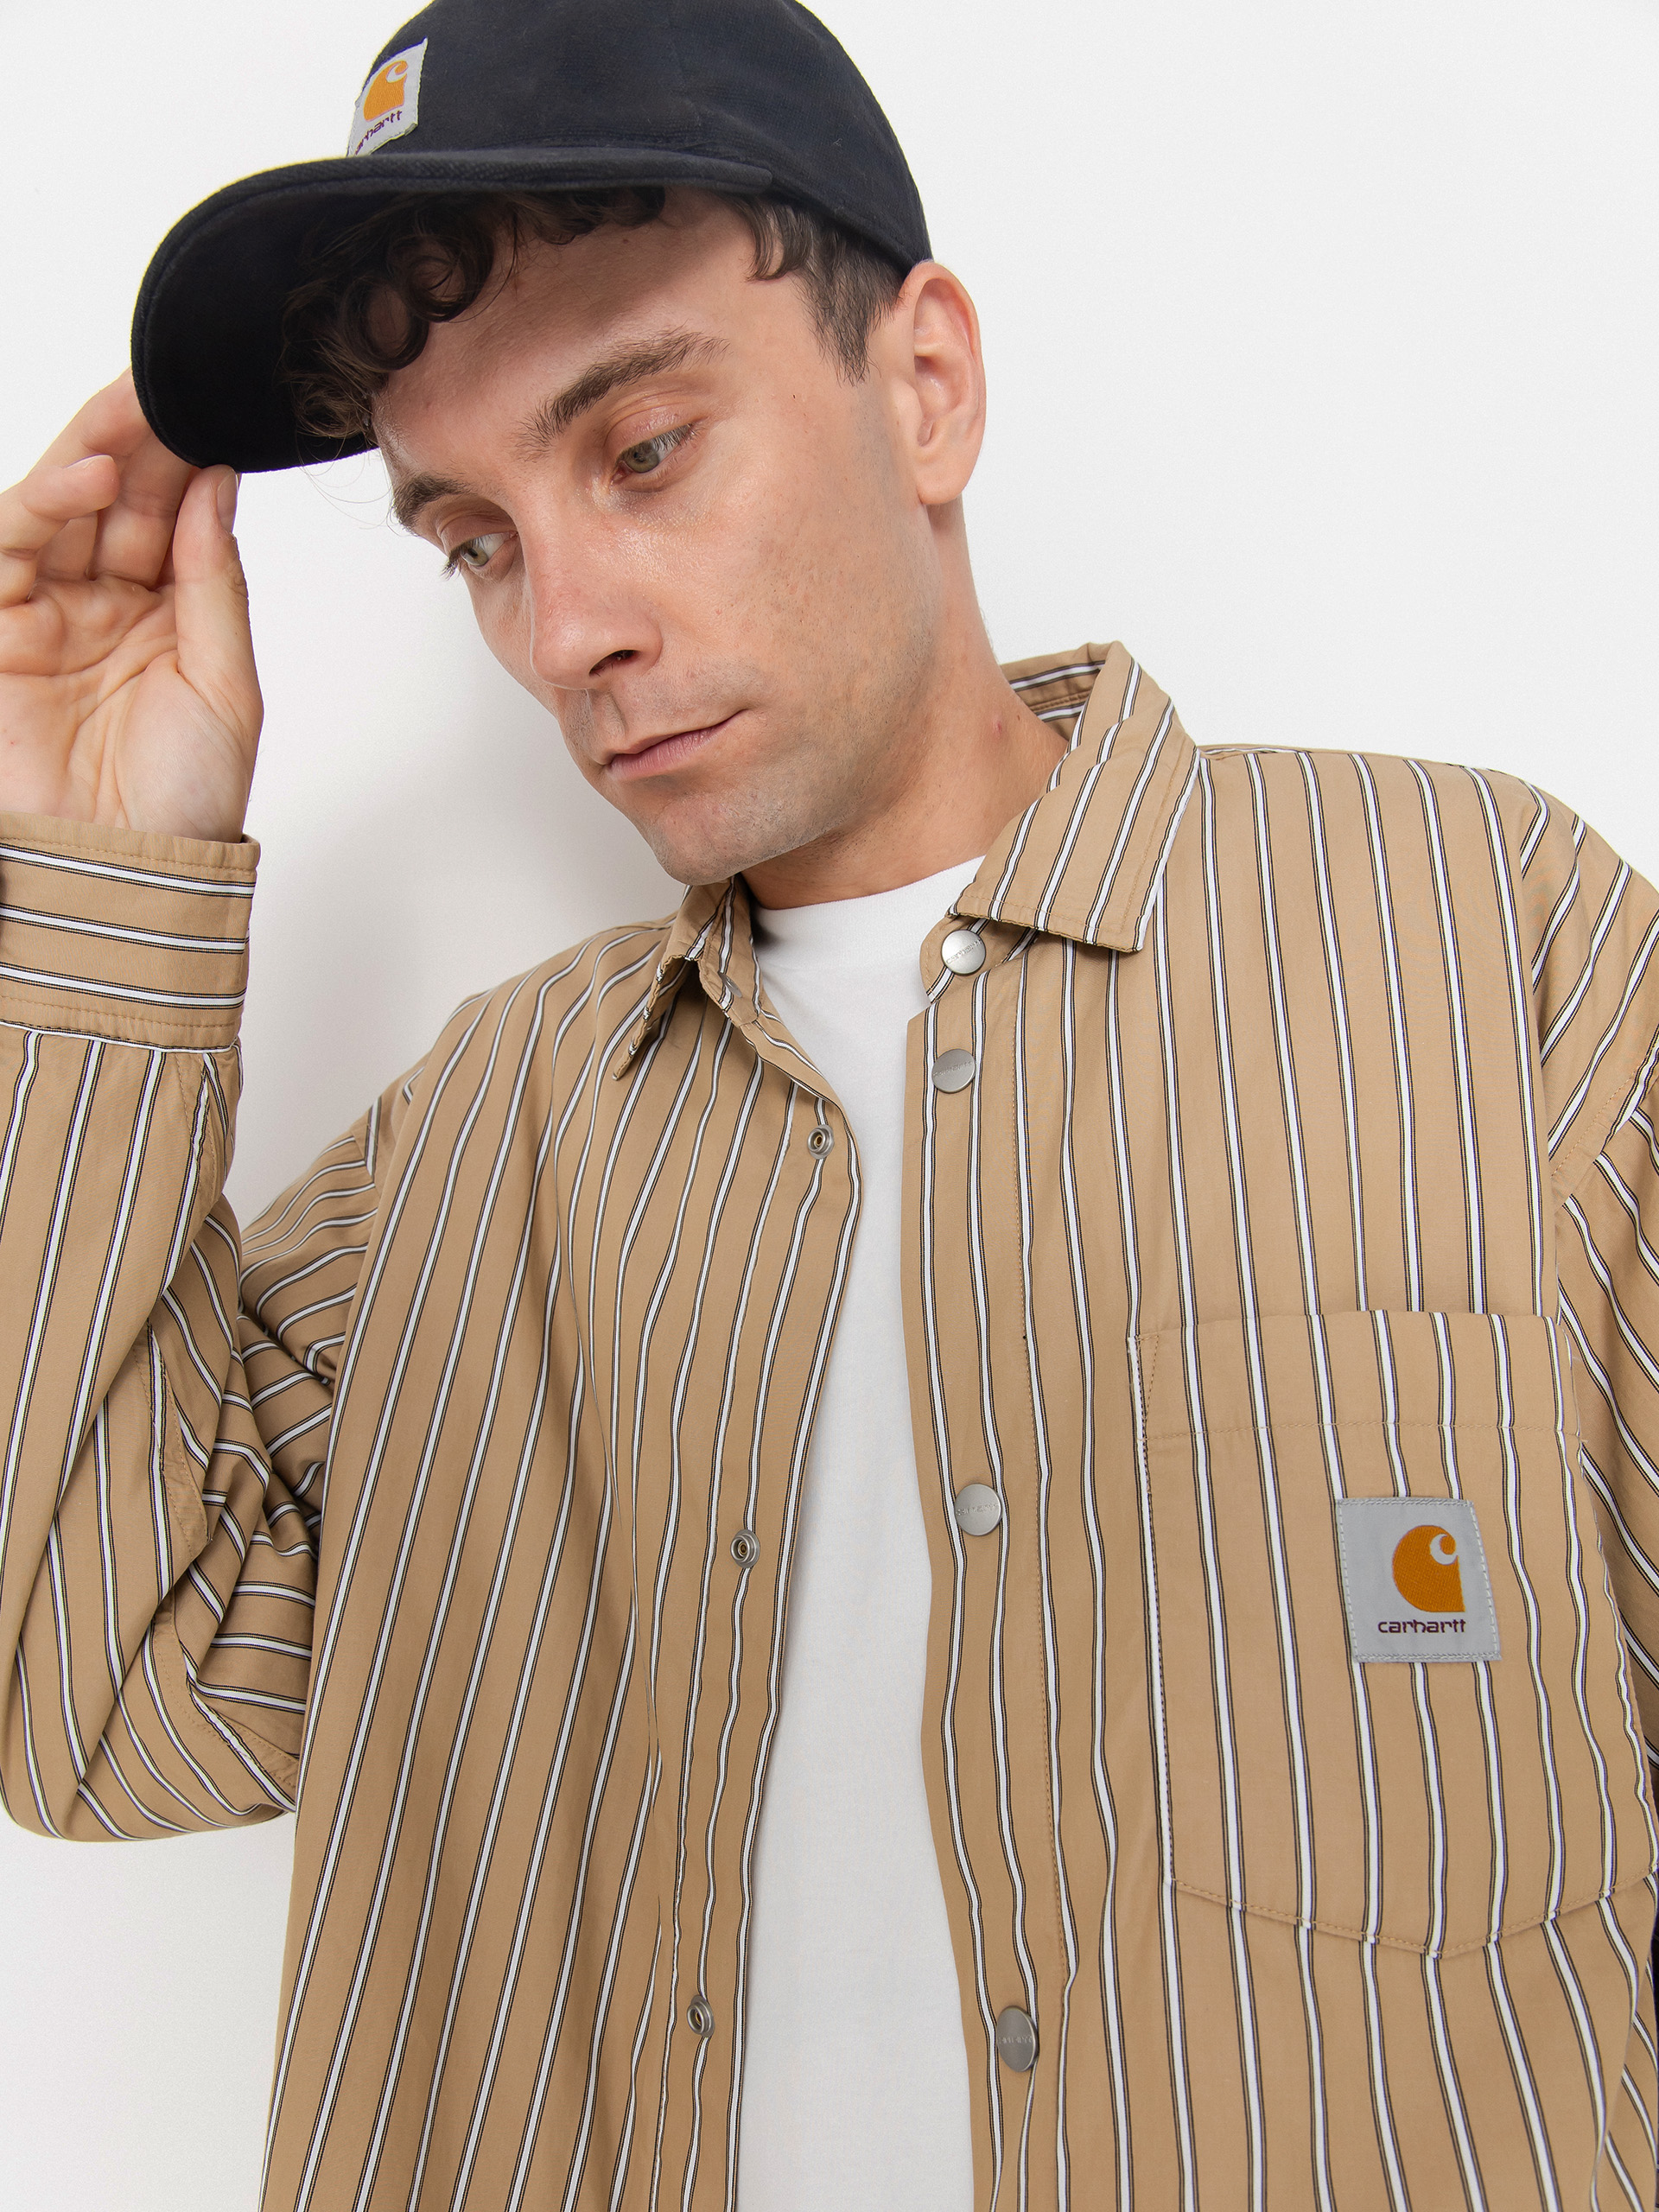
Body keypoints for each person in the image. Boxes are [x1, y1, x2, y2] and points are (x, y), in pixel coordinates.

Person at [2, 0, 1656, 2205]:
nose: (566, 628)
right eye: (474, 539)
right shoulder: (484, 1136)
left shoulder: (1490, 942)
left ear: (927, 384)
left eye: (643, 448)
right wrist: (109, 867)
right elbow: (107, 1706)